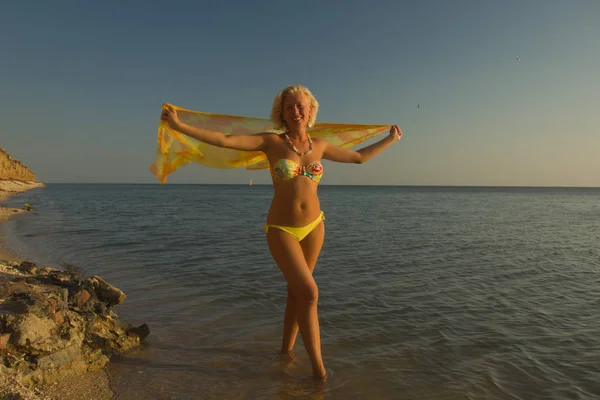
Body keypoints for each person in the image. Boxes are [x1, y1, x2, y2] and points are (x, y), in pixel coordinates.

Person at [160, 84, 402, 380]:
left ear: (311, 110)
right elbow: (224, 139)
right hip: (281, 229)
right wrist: (179, 125)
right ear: (282, 114)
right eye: (289, 107)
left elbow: (360, 158)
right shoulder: (271, 143)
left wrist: (391, 139)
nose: (296, 111)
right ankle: (320, 373)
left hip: (315, 227)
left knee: (297, 293)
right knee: (310, 292)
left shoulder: (321, 147)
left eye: (301, 105)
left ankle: (285, 353)